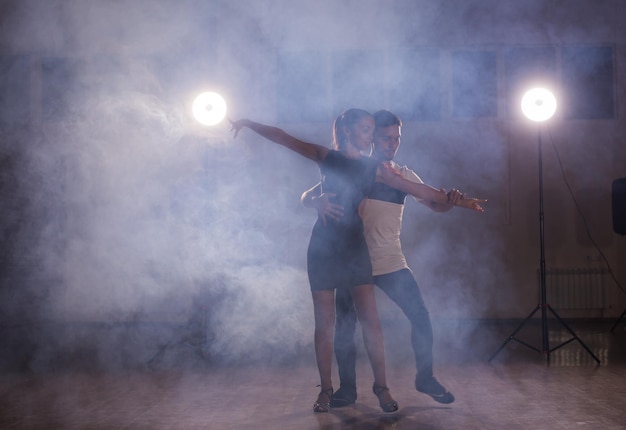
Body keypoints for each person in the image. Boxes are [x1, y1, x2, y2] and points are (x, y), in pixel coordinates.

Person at [229, 109, 483, 414]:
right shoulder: (333, 159)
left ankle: (400, 383)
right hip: (332, 251)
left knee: (389, 321)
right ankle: (335, 390)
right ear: (356, 133)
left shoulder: (385, 171)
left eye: (392, 137)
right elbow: (288, 147)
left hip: (369, 255)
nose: (385, 140)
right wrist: (248, 123)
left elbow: (424, 193)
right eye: (374, 133)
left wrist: (459, 200)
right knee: (334, 327)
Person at [301, 109, 485, 408]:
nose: (393, 143)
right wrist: (314, 201)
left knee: (420, 316)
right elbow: (308, 194)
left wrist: (452, 202)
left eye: (397, 138)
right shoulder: (352, 167)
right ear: (371, 137)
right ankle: (347, 390)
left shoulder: (404, 174)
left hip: (389, 262)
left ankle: (425, 377)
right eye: (386, 138)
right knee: (345, 329)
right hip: (352, 262)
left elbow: (434, 204)